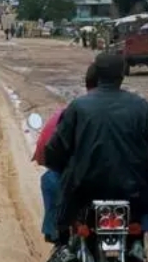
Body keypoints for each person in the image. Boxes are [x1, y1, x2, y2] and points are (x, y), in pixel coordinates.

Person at [42, 53, 148, 262]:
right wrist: (147, 173)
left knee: (56, 183)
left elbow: (55, 149)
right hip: (132, 188)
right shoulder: (141, 107)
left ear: (96, 75)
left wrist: (61, 166)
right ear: (122, 75)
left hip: (84, 187)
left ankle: (64, 245)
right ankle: (137, 241)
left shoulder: (78, 107)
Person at [33, 64, 99, 243]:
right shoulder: (134, 109)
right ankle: (137, 241)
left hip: (83, 180)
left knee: (50, 180)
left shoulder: (72, 111)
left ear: (88, 86)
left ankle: (56, 234)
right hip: (122, 180)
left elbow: (51, 148)